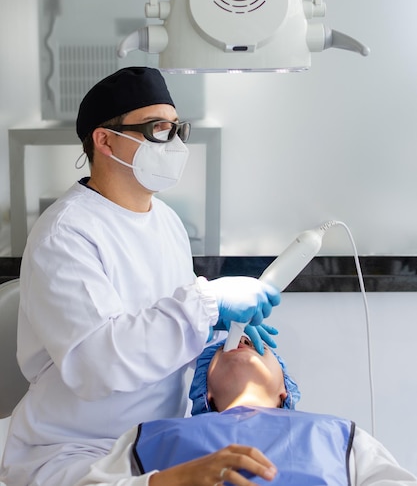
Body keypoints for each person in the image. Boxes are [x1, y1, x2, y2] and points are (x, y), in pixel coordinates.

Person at [0, 67, 280, 486]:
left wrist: (220, 334)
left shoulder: (166, 221)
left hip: (156, 442)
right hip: (75, 452)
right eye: (157, 129)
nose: (174, 143)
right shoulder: (66, 234)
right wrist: (206, 304)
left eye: (177, 128)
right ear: (105, 139)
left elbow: (158, 335)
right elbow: (99, 364)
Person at [72, 335, 417, 486]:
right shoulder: (150, 438)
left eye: (257, 344)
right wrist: (166, 482)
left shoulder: (341, 437)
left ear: (284, 390)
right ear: (205, 392)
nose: (241, 341)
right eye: (222, 349)